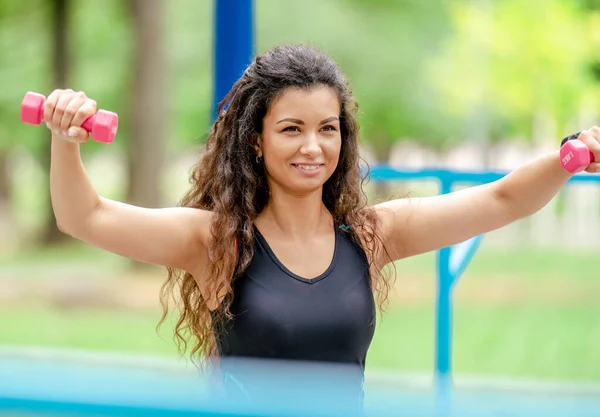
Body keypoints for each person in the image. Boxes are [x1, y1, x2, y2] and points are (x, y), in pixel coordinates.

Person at [43, 44, 600, 411]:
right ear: (256, 141)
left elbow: (503, 198)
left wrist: (570, 155)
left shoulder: (372, 235)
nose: (312, 147)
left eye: (327, 129)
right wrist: (66, 140)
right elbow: (83, 216)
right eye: (291, 128)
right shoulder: (216, 243)